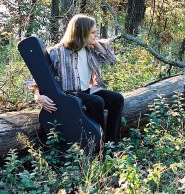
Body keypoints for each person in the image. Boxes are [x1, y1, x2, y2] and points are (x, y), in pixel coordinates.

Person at [30, 14, 124, 143]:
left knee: (117, 98)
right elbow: (41, 77)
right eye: (92, 32)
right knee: (97, 101)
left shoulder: (90, 50)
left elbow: (112, 61)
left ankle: (111, 142)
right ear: (80, 32)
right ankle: (98, 144)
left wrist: (96, 42)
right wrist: (38, 96)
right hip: (69, 95)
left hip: (87, 91)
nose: (96, 35)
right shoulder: (58, 52)